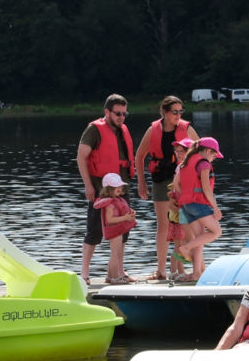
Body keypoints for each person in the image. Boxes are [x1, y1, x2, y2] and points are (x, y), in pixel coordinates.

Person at [76, 94, 137, 283]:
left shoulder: (122, 129)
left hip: (121, 187)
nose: (121, 117)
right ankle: (84, 275)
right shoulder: (94, 130)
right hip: (100, 189)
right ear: (107, 112)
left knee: (123, 227)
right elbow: (81, 157)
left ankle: (118, 271)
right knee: (94, 230)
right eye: (117, 113)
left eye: (124, 113)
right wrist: (88, 185)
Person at [135, 95, 191, 280]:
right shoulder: (153, 130)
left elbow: (200, 150)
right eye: (174, 111)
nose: (178, 115)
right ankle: (161, 270)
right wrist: (141, 182)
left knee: (181, 224)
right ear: (164, 112)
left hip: (180, 182)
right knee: (163, 225)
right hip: (160, 181)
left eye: (180, 111)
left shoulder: (186, 128)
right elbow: (139, 156)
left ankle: (180, 269)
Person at [172, 136, 223, 280]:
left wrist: (186, 196)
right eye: (214, 154)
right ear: (207, 151)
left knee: (199, 239)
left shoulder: (185, 162)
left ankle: (196, 274)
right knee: (217, 231)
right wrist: (215, 208)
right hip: (199, 204)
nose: (214, 157)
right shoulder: (204, 164)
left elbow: (176, 184)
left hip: (185, 205)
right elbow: (207, 189)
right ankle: (185, 248)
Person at [92, 172, 137, 284]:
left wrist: (129, 213)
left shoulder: (116, 199)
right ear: (108, 188)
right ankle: (115, 278)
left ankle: (109, 277)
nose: (119, 188)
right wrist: (125, 218)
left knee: (115, 254)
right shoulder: (109, 203)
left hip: (117, 230)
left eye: (120, 186)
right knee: (115, 255)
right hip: (114, 231)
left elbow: (121, 211)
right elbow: (110, 220)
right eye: (116, 186)